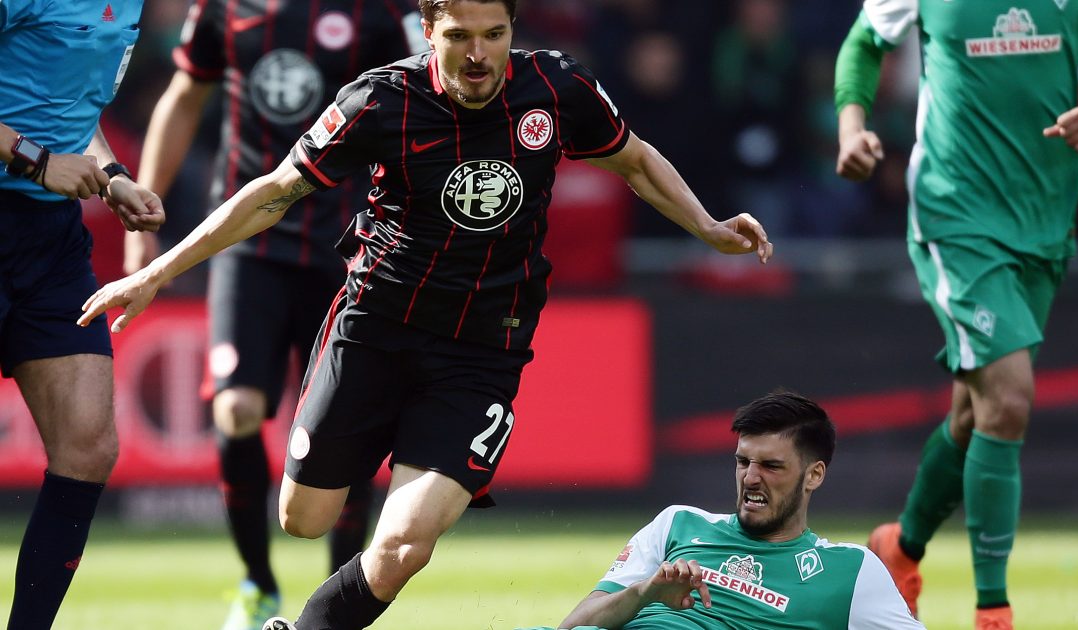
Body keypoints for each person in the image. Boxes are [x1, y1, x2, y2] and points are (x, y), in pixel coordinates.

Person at [78, 1, 772, 628]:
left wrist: (707, 226)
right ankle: (268, 571)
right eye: (461, 37)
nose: (479, 54)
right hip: (374, 330)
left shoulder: (557, 87)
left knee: (406, 544)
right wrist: (156, 271)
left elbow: (636, 162)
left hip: (480, 354)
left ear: (512, 31)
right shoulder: (381, 101)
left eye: (495, 35)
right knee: (302, 518)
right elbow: (271, 193)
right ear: (428, 32)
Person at [833, 1, 1078, 628]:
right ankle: (993, 611)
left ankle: (899, 548)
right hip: (955, 216)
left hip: (1044, 220)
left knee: (973, 413)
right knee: (1009, 400)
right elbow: (865, 43)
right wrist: (852, 127)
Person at [124, 3, 413, 627]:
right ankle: (257, 584)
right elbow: (184, 94)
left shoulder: (374, 16)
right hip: (248, 245)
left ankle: (338, 602)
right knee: (235, 409)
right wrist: (145, 214)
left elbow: (415, 107)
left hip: (347, 246)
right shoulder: (222, 10)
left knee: (348, 425)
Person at [0, 2, 166, 629]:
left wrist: (112, 173)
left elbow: (69, 111)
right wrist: (35, 160)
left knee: (88, 446)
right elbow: (42, 145)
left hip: (49, 239)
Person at [535, 391, 923, 630]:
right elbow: (570, 627)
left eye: (771, 466)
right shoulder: (678, 524)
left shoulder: (850, 571)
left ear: (814, 476)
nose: (751, 478)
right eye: (742, 462)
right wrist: (644, 594)